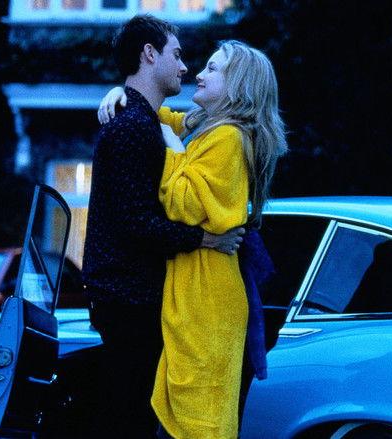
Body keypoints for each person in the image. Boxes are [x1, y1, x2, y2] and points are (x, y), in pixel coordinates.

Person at [99, 40, 288, 438]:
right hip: (200, 287)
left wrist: (172, 150)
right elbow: (159, 115)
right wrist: (123, 94)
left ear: (238, 84)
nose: (198, 74)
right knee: (189, 411)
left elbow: (183, 205)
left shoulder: (230, 137)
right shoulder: (208, 126)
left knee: (199, 418)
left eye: (213, 69)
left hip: (208, 296)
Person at [82, 16, 245, 439]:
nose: (186, 67)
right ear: (150, 54)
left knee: (130, 416)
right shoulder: (134, 127)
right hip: (129, 296)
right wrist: (205, 238)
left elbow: (179, 124)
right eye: (177, 54)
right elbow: (137, 223)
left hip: (130, 295)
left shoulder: (141, 122)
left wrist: (124, 94)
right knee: (128, 419)